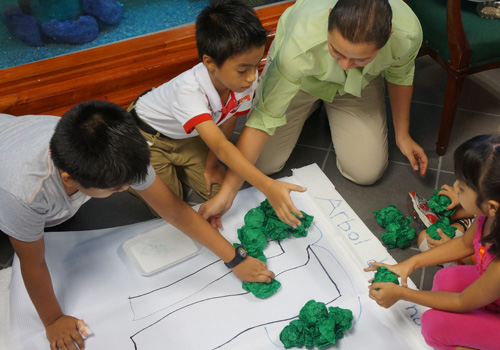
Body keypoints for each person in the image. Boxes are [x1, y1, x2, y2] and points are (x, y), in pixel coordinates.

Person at [0, 100, 275, 350]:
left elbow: (176, 212)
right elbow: (32, 262)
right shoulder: (26, 195)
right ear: (70, 179)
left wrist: (235, 259)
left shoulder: (119, 156)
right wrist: (53, 320)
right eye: (118, 188)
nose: (127, 187)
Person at [199, 0, 429, 228]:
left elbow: (400, 77)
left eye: (361, 58)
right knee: (262, 165)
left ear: (388, 36)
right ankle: (314, 105)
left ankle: (328, 107)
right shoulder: (298, 46)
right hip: (302, 83)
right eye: (336, 52)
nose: (346, 65)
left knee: (366, 173)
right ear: (329, 18)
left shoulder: (408, 34)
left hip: (359, 86)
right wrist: (227, 195)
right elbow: (265, 118)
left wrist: (403, 135)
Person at [129, 0, 306, 228]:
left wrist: (212, 166)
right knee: (167, 207)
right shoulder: (189, 92)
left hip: (186, 136)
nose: (252, 77)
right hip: (145, 137)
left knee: (220, 191)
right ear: (210, 63)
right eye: (243, 69)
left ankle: (178, 166)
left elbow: (226, 123)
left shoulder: (242, 83)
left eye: (256, 66)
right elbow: (222, 146)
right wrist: (268, 186)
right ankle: (132, 167)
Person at [366, 134, 500, 350]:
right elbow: (465, 244)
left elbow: (462, 302)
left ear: (491, 205)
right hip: (493, 290)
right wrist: (410, 263)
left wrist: (402, 293)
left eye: (463, 188)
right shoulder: (490, 216)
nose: (455, 187)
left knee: (433, 326)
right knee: (445, 278)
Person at [409, 185, 475, 265]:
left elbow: (481, 263)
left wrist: (451, 248)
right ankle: (454, 218)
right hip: (478, 223)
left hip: (474, 261)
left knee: (424, 240)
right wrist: (461, 198)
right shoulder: (487, 213)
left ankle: (452, 219)